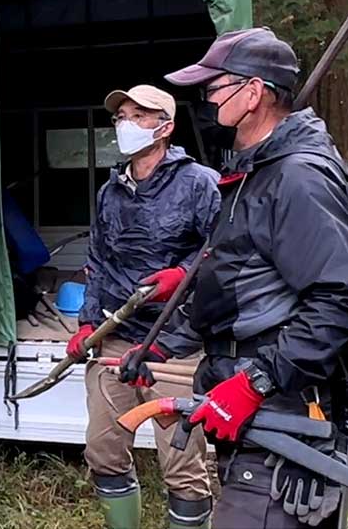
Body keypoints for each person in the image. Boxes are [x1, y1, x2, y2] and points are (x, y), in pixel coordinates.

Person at [123, 27, 348, 528]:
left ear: (253, 93)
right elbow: (235, 279)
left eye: (213, 87)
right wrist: (162, 345)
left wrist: (257, 381)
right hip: (246, 403)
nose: (206, 99)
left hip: (285, 411)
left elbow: (338, 300)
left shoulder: (298, 177)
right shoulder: (252, 173)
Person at [67, 85, 220, 529]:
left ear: (166, 127)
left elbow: (227, 254)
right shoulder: (111, 191)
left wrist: (183, 273)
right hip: (116, 337)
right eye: (121, 116)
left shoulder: (200, 185)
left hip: (176, 344)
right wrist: (88, 323)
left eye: (139, 115)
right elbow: (97, 262)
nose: (125, 124)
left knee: (183, 467)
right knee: (102, 450)